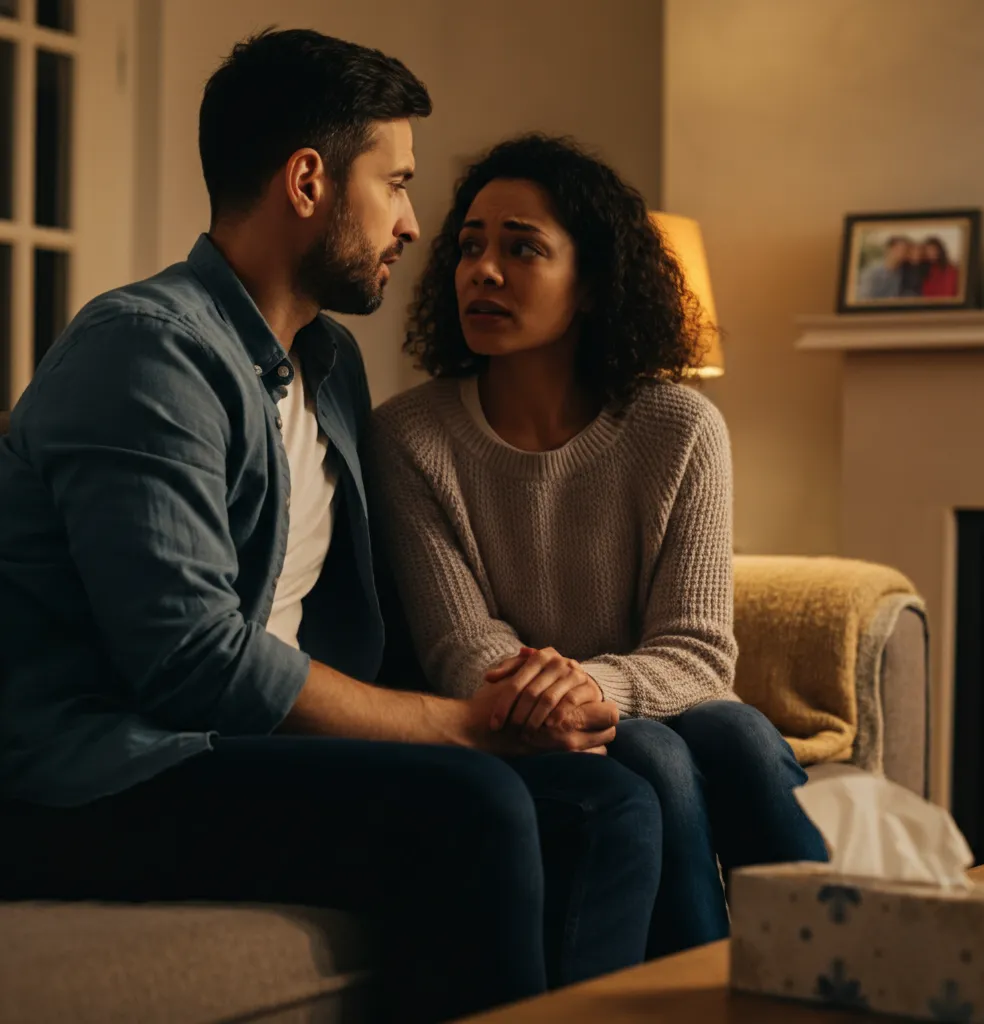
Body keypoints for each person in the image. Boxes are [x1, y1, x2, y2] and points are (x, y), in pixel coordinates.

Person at [0, 33, 666, 1023]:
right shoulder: (145, 351)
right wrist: (458, 729)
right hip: (103, 772)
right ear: (308, 180)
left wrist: (530, 694)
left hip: (235, 747)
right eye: (393, 183)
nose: (411, 222)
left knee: (612, 793)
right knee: (474, 804)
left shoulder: (329, 363)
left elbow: (368, 603)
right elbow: (188, 661)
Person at [369, 134, 829, 959]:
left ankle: (830, 961)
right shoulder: (410, 436)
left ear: (590, 283)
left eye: (522, 249)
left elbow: (698, 655)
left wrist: (586, 683)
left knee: (738, 735)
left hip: (631, 704)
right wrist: (553, 695)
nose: (483, 270)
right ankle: (713, 991)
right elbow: (456, 645)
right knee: (657, 748)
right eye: (470, 246)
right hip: (520, 733)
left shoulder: (680, 428)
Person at [857, 235, 909, 300]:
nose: (902, 253)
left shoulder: (902, 270)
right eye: (898, 249)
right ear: (888, 250)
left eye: (905, 250)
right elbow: (864, 297)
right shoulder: (872, 272)